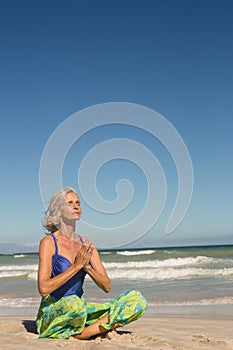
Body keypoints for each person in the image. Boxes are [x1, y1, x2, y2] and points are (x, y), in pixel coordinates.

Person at [36, 187, 148, 339]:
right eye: (70, 203)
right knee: (73, 304)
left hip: (80, 310)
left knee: (137, 301)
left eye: (78, 203)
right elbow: (43, 288)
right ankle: (89, 331)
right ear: (59, 211)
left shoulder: (87, 245)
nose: (76, 206)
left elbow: (107, 286)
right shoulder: (49, 242)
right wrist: (76, 267)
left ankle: (83, 333)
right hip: (54, 309)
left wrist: (87, 267)